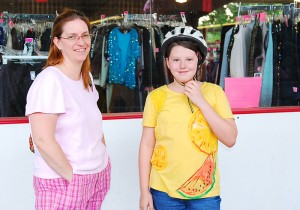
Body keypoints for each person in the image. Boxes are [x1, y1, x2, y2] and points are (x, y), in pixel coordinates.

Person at [139, 26, 238, 210]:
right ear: (167, 62)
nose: (182, 66)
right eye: (176, 60)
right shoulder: (155, 97)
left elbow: (230, 138)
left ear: (199, 60)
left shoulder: (214, 92)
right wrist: (144, 191)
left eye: (189, 59)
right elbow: (146, 145)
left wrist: (201, 101)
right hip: (163, 192)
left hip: (206, 194)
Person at [25, 9, 110, 209]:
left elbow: (94, 127)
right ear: (57, 42)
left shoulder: (86, 78)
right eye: (71, 37)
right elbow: (42, 140)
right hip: (63, 183)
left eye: (85, 35)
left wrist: (104, 161)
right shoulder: (50, 80)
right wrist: (74, 178)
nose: (81, 42)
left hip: (95, 177)